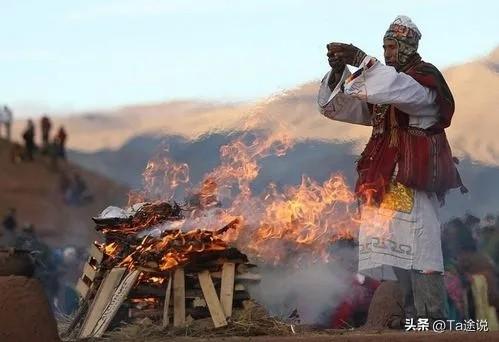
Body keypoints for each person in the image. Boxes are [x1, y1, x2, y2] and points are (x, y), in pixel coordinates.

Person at [317, 15, 465, 325]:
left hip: (413, 182)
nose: (387, 52)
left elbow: (398, 90)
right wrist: (338, 72)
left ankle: (430, 319)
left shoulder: (424, 81)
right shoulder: (387, 87)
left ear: (408, 47)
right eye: (383, 46)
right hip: (383, 183)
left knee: (423, 252)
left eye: (392, 46)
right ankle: (398, 318)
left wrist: (360, 59)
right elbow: (343, 106)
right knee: (389, 251)